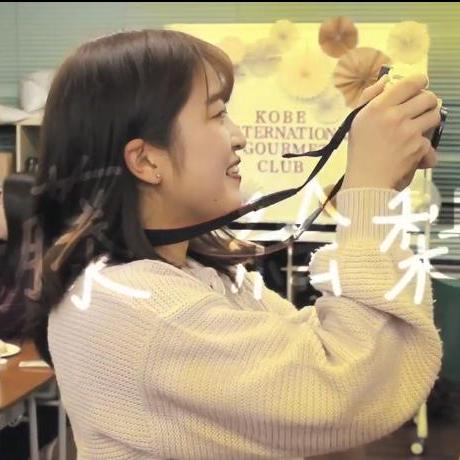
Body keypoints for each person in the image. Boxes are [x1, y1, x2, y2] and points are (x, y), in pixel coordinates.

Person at [24, 29, 442, 459]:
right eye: (217, 114)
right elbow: (349, 392)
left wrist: (380, 188)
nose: (239, 136)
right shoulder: (136, 307)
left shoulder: (194, 276)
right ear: (146, 160)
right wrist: (370, 192)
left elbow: (341, 359)